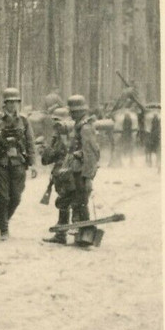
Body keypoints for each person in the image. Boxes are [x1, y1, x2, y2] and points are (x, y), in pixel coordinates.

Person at [0, 86, 37, 240]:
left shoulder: (24, 121)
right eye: (10, 102)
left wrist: (33, 164)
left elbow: (30, 142)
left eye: (15, 102)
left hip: (18, 162)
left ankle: (4, 219)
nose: (13, 105)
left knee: (16, 197)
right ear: (5, 103)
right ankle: (4, 229)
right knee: (3, 197)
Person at [41, 107, 77, 244]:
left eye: (56, 122)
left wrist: (46, 149)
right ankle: (64, 233)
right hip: (69, 171)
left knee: (64, 201)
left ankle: (62, 234)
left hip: (63, 173)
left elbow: (49, 157)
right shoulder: (71, 133)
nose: (55, 126)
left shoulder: (62, 136)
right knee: (68, 201)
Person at [65, 94, 100, 230]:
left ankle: (87, 231)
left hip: (82, 171)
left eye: (73, 112)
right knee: (79, 202)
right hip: (77, 169)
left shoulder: (85, 128)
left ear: (80, 111)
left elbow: (90, 154)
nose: (71, 115)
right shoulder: (79, 126)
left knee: (81, 202)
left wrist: (88, 177)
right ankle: (83, 231)